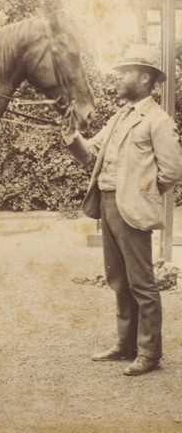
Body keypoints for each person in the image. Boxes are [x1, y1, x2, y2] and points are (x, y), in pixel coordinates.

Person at [61, 44, 182, 376]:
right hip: (108, 204)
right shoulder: (120, 116)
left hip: (132, 208)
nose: (118, 78)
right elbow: (90, 155)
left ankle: (149, 353)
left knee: (142, 282)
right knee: (119, 279)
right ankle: (124, 345)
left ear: (144, 78)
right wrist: (70, 134)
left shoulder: (158, 121)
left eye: (125, 72)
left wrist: (140, 192)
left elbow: (172, 171)